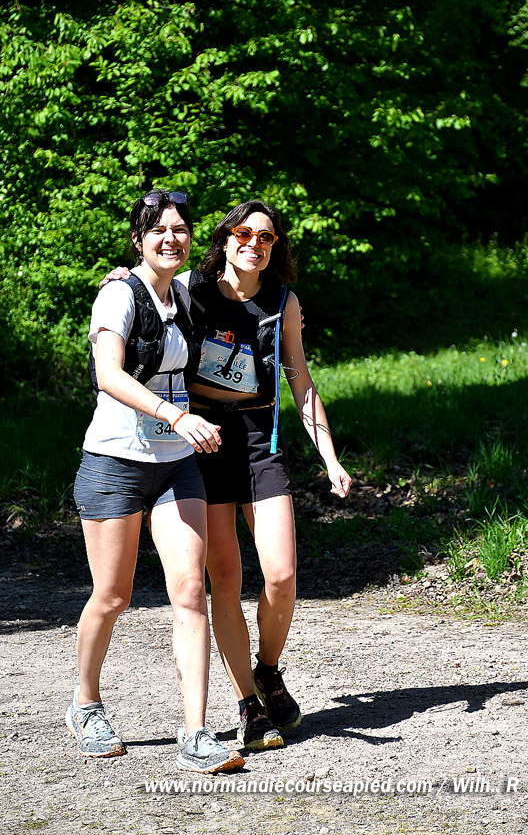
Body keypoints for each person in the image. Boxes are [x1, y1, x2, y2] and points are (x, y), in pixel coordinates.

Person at [101, 199, 352, 752]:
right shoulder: (192, 287)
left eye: (266, 237)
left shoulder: (283, 302)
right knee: (226, 579)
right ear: (226, 237)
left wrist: (330, 458)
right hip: (203, 438)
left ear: (275, 248)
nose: (253, 244)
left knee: (281, 575)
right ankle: (248, 705)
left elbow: (301, 382)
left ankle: (268, 669)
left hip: (259, 439)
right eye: (243, 233)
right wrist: (120, 278)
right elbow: (145, 285)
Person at [69, 189, 244, 774]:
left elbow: (244, 274)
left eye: (180, 229)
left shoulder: (187, 293)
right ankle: (85, 703)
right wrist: (175, 415)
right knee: (113, 595)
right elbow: (108, 374)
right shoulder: (119, 294)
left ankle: (196, 731)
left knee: (190, 590)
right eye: (158, 230)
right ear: (138, 239)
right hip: (114, 462)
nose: (171, 238)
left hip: (177, 466)